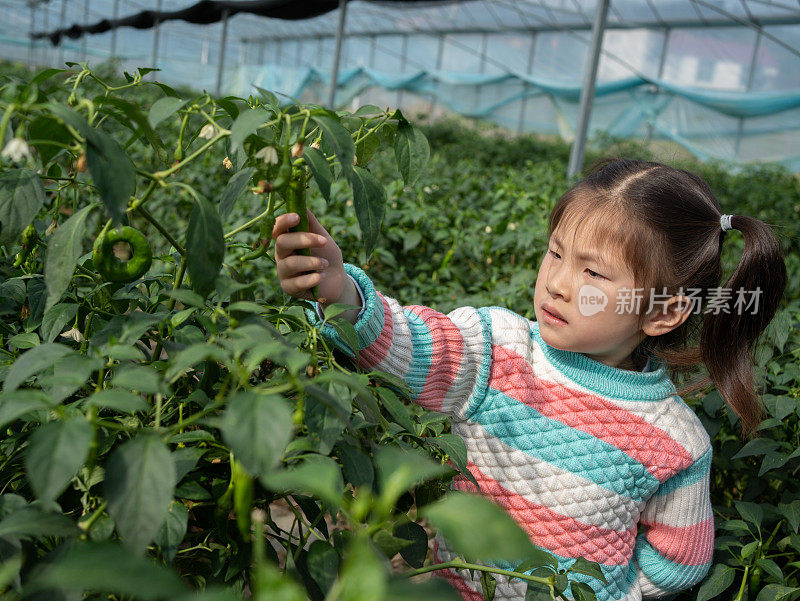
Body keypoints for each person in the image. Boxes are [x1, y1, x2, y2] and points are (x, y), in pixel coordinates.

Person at [271, 158, 788, 601]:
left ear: (661, 313)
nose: (559, 283)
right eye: (556, 253)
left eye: (594, 273)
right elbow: (412, 345)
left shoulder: (674, 441)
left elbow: (681, 558)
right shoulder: (500, 352)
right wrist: (341, 294)